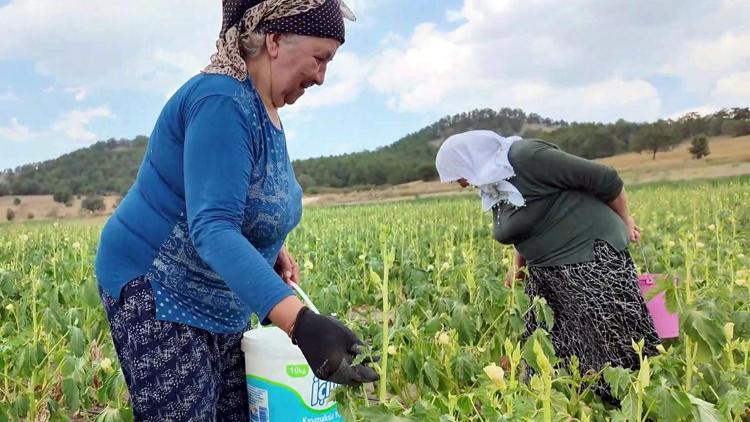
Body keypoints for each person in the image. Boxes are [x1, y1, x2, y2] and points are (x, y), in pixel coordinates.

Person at [94, 1, 377, 419]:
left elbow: (238, 198)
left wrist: (270, 246)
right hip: (160, 287)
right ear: (276, 40)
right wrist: (300, 324)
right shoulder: (221, 100)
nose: (321, 76)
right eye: (321, 58)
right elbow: (212, 226)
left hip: (220, 296)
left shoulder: (264, 107)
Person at [435, 130, 660, 399]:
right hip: (545, 270)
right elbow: (525, 224)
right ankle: (567, 405)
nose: (461, 184)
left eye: (458, 175)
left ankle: (629, 405)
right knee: (546, 342)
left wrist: (627, 221)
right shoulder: (493, 182)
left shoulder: (526, 157)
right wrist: (517, 264)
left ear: (471, 157)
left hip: (590, 258)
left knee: (606, 342)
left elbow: (606, 178)